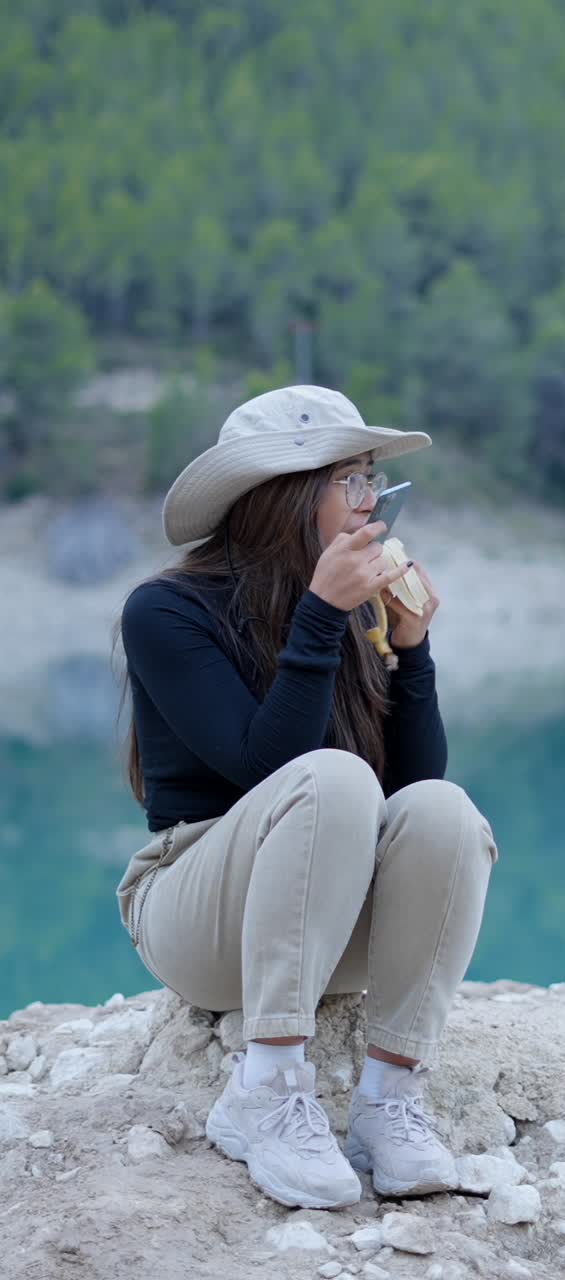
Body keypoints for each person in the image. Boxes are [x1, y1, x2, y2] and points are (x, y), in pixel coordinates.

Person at [114, 384, 499, 1210]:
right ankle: (266, 1090)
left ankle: (389, 1101)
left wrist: (411, 651)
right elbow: (268, 765)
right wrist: (321, 615)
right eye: (350, 480)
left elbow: (411, 791)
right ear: (285, 496)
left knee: (446, 810)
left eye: (372, 479)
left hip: (322, 923)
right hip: (198, 914)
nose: (371, 503)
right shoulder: (166, 611)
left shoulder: (350, 615)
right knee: (332, 775)